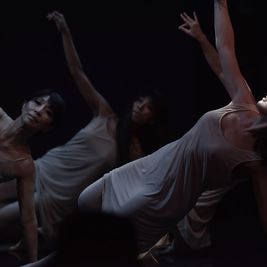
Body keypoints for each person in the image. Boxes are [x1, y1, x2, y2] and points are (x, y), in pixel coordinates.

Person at [78, 2, 267, 267]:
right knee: (85, 201)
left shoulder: (255, 162)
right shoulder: (242, 99)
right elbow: (225, 49)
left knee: (110, 238)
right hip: (151, 165)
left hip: (166, 196)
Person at [0, 10, 168, 247]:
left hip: (58, 198)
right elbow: (77, 72)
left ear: (152, 118)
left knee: (5, 218)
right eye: (141, 100)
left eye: (148, 107)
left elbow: (132, 190)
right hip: (44, 168)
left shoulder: (133, 150)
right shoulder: (104, 113)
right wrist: (65, 32)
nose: (141, 107)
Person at [0, 89, 65, 262]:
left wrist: (34, 262)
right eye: (37, 102)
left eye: (48, 112)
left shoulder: (25, 165)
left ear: (48, 127)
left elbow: (28, 220)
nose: (39, 110)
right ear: (24, 105)